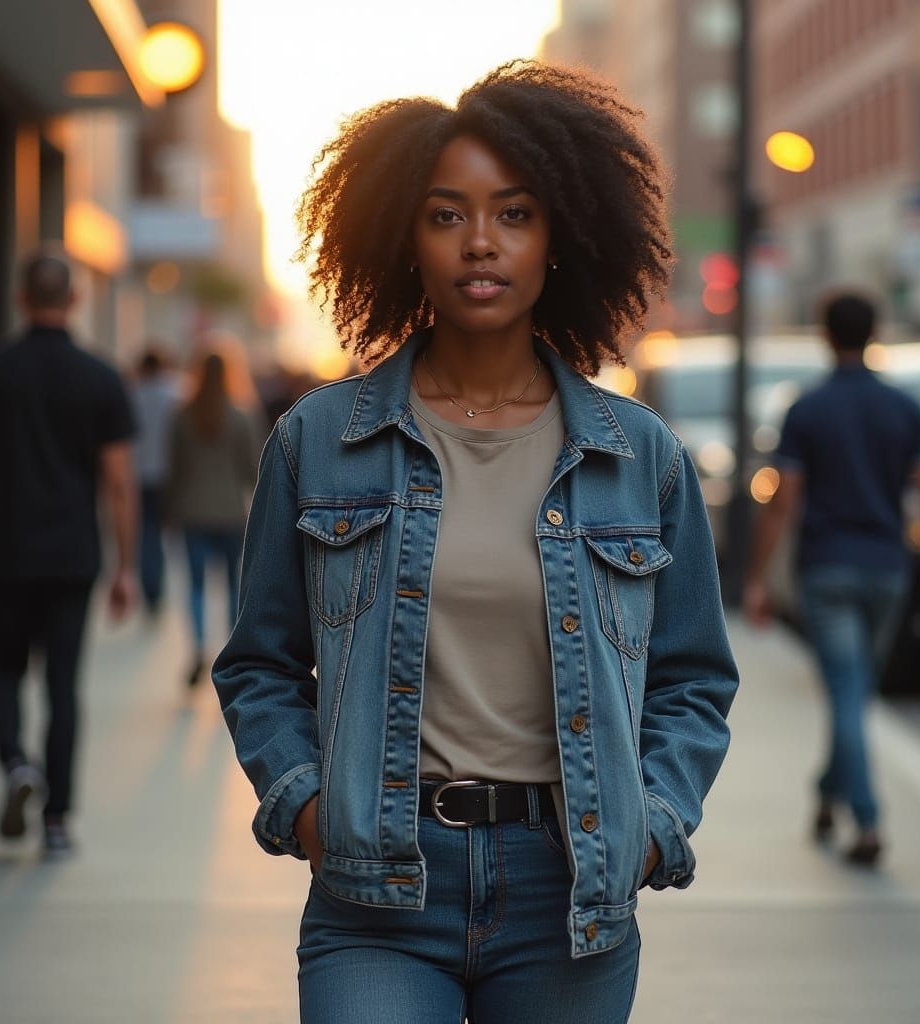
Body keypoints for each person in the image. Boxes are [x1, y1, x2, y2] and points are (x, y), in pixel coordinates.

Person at [213, 61, 738, 1024]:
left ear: (561, 239)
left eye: (515, 213)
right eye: (447, 214)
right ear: (403, 238)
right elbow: (260, 664)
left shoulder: (639, 455)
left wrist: (652, 828)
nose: (481, 243)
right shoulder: (321, 443)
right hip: (376, 888)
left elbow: (694, 678)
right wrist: (310, 809)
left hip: (569, 891)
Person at [745, 292, 920, 866]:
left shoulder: (807, 408)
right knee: (854, 691)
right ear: (874, 333)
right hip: (888, 571)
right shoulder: (903, 408)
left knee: (847, 691)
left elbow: (782, 504)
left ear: (825, 335)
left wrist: (759, 578)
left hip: (826, 568)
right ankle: (843, 802)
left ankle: (856, 814)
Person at [0, 248, 137, 856]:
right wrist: (125, 567)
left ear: (19, 299)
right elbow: (118, 481)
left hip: (5, 548)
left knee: (3, 670)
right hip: (72, 554)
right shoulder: (100, 377)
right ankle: (57, 821)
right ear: (76, 299)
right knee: (63, 684)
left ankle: (15, 763)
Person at [166, 343, 260, 687]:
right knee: (234, 586)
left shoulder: (181, 415)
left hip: (192, 511)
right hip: (231, 513)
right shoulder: (241, 415)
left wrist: (168, 508)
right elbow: (253, 469)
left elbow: (173, 468)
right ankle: (233, 654)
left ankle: (198, 649)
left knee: (195, 585)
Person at [129, 345, 182, 614]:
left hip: (137, 474)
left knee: (145, 533)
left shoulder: (132, 395)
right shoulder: (174, 394)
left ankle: (151, 590)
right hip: (168, 475)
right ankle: (157, 586)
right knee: (162, 533)